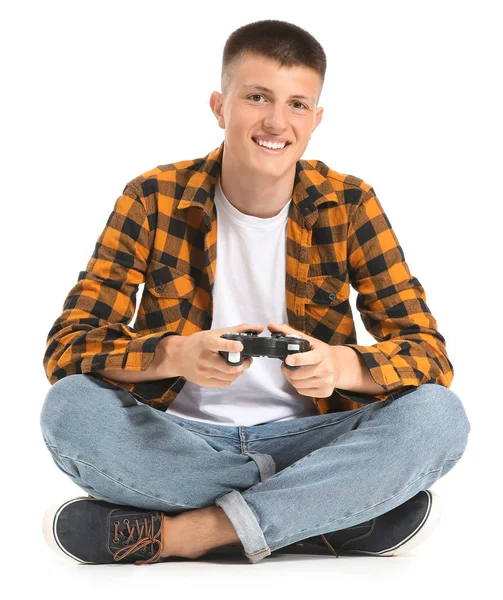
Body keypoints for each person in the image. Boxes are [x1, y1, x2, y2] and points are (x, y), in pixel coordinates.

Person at [39, 19, 471, 566]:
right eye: (256, 97)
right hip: (182, 441)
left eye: (296, 104)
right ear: (220, 107)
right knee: (69, 409)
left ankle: (189, 534)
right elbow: (68, 348)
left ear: (316, 120)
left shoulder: (350, 202)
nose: (275, 121)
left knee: (438, 416)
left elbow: (430, 355)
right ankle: (325, 514)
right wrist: (176, 354)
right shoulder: (153, 197)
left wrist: (339, 365)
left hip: (312, 438)